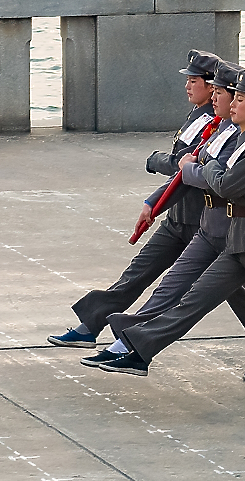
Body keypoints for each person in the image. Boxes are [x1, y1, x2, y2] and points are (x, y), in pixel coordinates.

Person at [95, 73, 245, 415]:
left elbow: (226, 185)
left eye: (239, 100)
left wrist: (205, 168)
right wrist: (207, 168)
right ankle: (139, 351)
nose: (232, 104)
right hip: (237, 238)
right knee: (193, 300)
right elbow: (215, 174)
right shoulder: (237, 140)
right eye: (233, 97)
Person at [50, 49, 224, 348]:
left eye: (193, 80)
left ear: (212, 87)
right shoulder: (197, 115)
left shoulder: (216, 123)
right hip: (177, 217)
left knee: (238, 295)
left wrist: (156, 160)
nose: (187, 85)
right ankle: (90, 327)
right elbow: (181, 167)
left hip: (202, 223)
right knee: (136, 275)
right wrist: (153, 203)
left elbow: (185, 165)